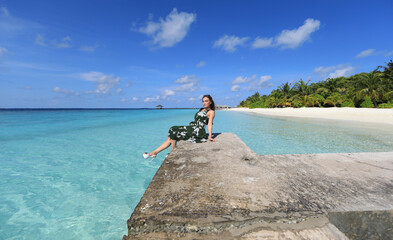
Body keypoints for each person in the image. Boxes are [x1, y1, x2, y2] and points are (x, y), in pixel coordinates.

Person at [143, 95, 216, 158]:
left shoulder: (211, 112)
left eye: (206, 101)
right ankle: (154, 152)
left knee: (173, 129)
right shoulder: (201, 109)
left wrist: (210, 136)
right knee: (171, 137)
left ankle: (172, 152)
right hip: (192, 128)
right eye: (203, 101)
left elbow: (210, 124)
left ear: (210, 102)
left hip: (198, 131)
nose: (204, 103)